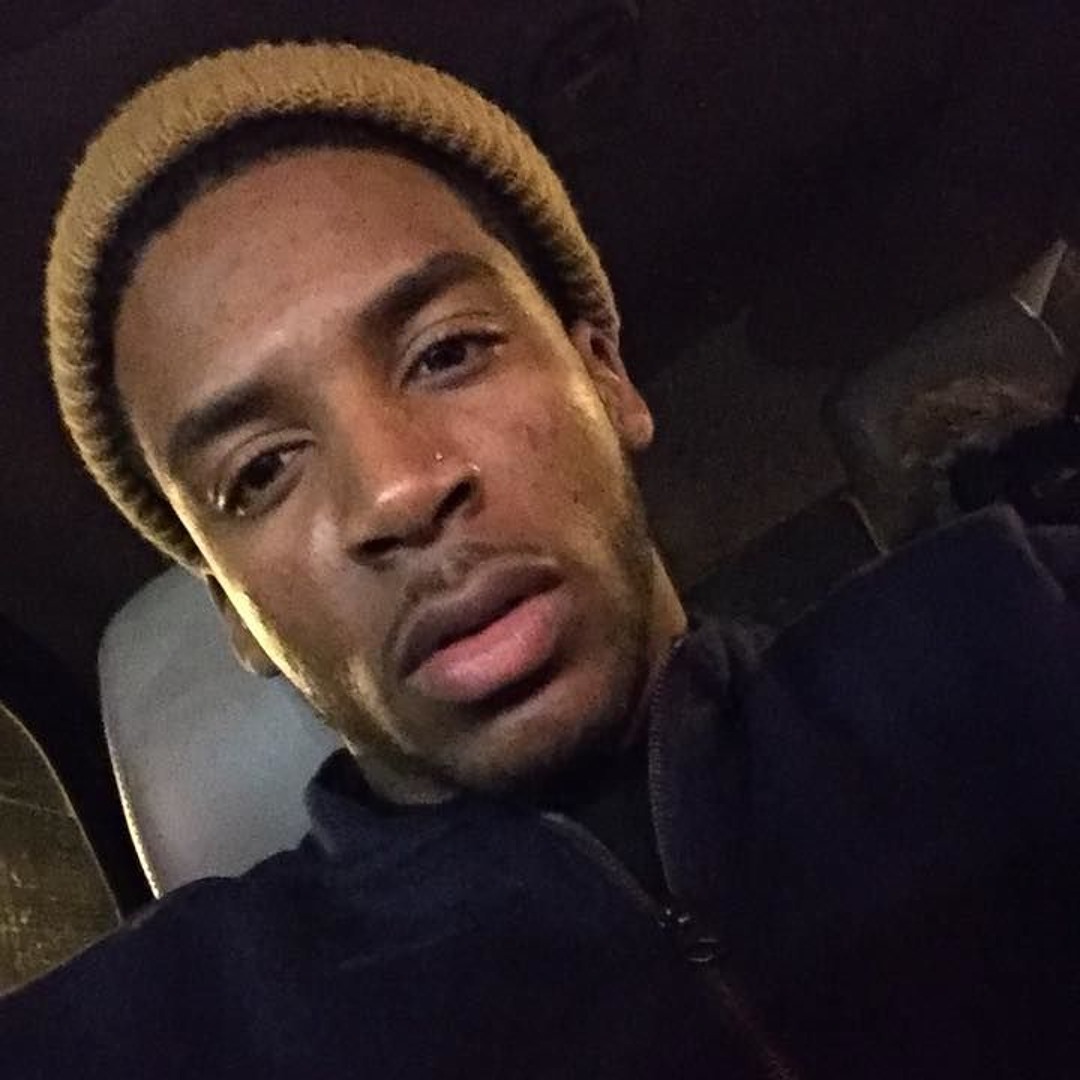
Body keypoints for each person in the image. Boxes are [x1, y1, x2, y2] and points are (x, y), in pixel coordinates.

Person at [3, 40, 1080, 1079]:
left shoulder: (1017, 628)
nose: (396, 491)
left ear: (605, 376)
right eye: (261, 472)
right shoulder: (167, 1035)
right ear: (237, 617)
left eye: (447, 352)